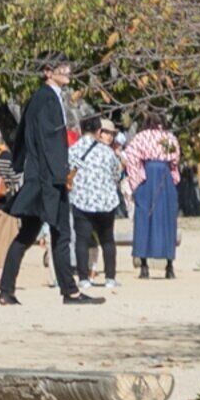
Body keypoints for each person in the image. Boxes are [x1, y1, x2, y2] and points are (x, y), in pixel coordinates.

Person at [0, 55, 97, 305]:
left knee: (30, 233)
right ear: (47, 72)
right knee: (60, 232)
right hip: (47, 178)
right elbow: (46, 142)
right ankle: (69, 291)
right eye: (61, 67)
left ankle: (7, 290)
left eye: (68, 65)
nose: (68, 70)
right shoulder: (45, 99)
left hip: (44, 176)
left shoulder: (46, 98)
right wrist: (60, 174)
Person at [66, 114, 126, 285]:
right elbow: (117, 174)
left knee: (82, 240)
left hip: (81, 200)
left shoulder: (73, 150)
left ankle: (83, 278)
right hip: (106, 201)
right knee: (107, 240)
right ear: (99, 131)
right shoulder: (107, 152)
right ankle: (110, 278)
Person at [127, 112, 182, 280]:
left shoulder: (141, 137)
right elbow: (175, 160)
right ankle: (169, 266)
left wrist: (136, 179)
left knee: (144, 217)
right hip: (165, 176)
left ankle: (144, 266)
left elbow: (130, 156)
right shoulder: (170, 138)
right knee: (167, 219)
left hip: (147, 176)